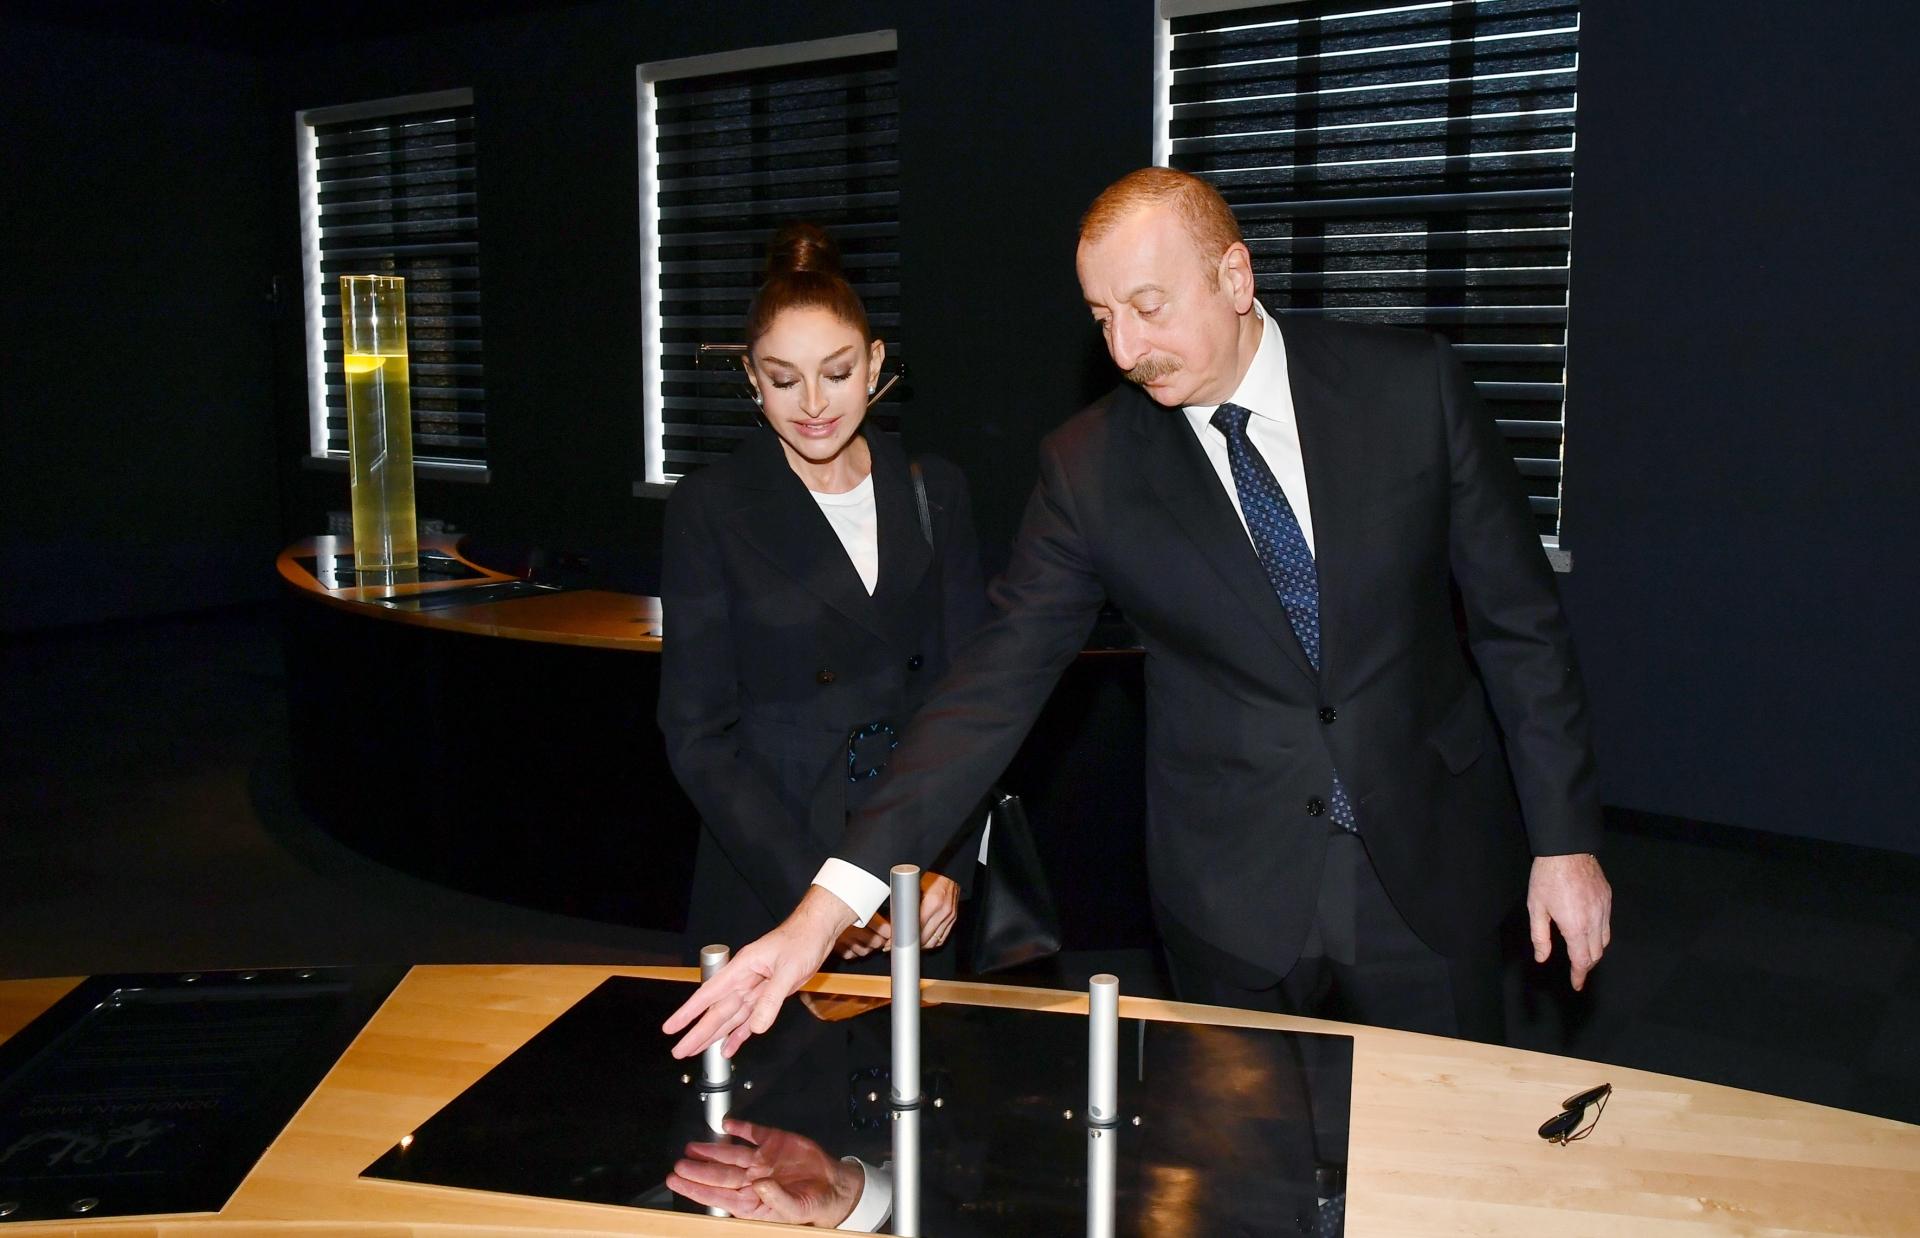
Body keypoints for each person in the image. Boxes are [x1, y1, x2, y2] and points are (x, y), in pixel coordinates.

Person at [665, 168, 1611, 1057]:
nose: (1123, 350)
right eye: (1102, 318)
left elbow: (1518, 625)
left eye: (1148, 308)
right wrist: (821, 913)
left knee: (1443, 1148)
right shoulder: (1091, 467)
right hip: (1231, 893)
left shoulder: (1410, 387)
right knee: (1237, 1161)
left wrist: (1564, 838)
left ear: (1233, 277)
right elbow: (990, 689)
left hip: (1428, 867)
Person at [657, 221, 992, 974]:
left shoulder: (934, 490)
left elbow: (969, 699)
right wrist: (821, 895)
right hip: (774, 868)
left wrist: (948, 858)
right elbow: (697, 735)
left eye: (836, 374)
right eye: (784, 380)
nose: (813, 403)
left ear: (873, 365)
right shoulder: (712, 507)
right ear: (752, 377)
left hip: (913, 867)